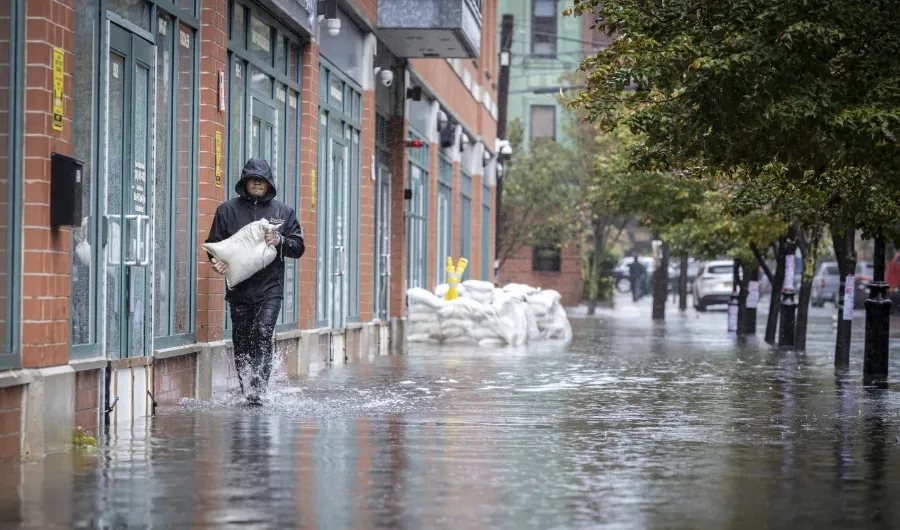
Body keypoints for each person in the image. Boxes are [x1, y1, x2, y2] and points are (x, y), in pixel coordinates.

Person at [205, 158, 305, 406]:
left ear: (269, 183)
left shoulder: (283, 212)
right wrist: (216, 262)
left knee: (262, 332)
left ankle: (259, 390)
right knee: (241, 340)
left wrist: (279, 240)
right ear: (245, 182)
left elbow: (299, 247)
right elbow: (215, 245)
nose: (257, 185)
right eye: (253, 180)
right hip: (239, 289)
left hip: (270, 288)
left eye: (261, 180)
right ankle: (247, 388)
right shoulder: (227, 210)